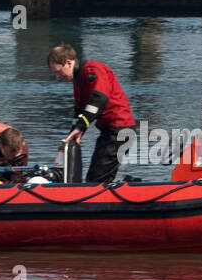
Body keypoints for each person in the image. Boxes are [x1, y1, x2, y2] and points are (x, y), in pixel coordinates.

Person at [46, 44, 136, 185]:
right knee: (96, 176)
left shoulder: (92, 70)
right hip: (108, 131)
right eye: (55, 73)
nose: (58, 76)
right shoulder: (78, 80)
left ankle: (120, 197)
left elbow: (99, 99)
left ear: (69, 62)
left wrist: (81, 127)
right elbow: (80, 113)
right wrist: (67, 142)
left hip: (120, 129)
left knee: (97, 179)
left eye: (59, 71)